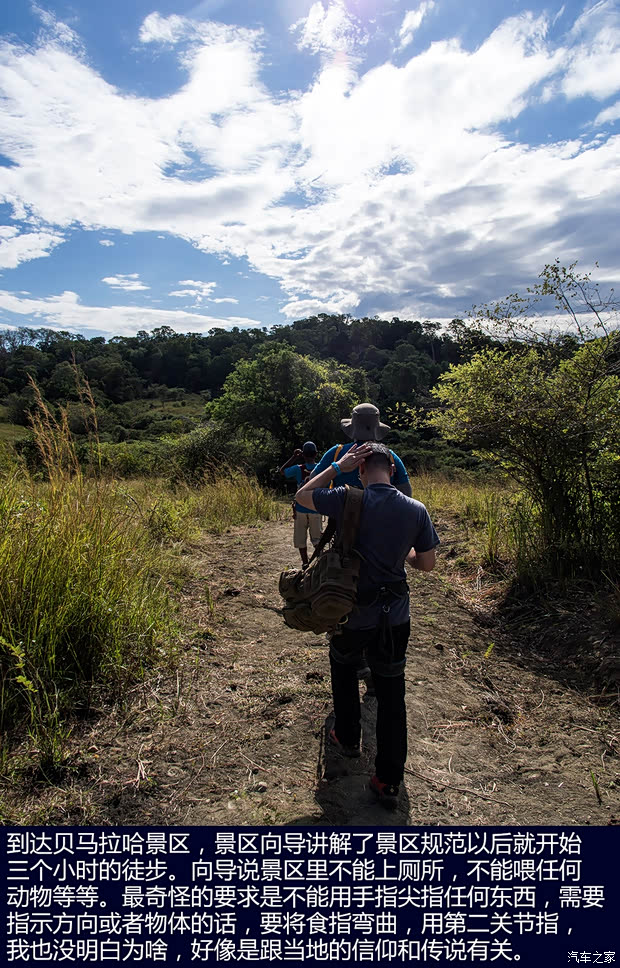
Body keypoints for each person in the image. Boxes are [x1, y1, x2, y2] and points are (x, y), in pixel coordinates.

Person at [295, 440, 440, 809]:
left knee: (343, 666)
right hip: (396, 616)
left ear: (361, 469)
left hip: (352, 611)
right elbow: (426, 564)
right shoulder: (416, 510)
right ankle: (388, 781)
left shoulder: (347, 497)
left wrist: (336, 466)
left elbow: (303, 496)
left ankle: (347, 738)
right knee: (392, 696)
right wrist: (403, 552)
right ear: (391, 469)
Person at [312, 403, 412, 496]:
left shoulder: (336, 453)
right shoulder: (389, 456)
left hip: (342, 514)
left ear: (352, 428)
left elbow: (313, 481)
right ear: (377, 429)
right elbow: (406, 493)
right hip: (381, 513)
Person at [279, 441, 322, 568]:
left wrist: (294, 457)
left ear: (303, 455)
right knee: (317, 539)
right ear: (316, 454)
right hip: (316, 507)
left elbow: (282, 471)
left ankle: (305, 563)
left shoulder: (298, 469)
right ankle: (319, 562)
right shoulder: (321, 468)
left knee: (300, 538)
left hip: (300, 508)